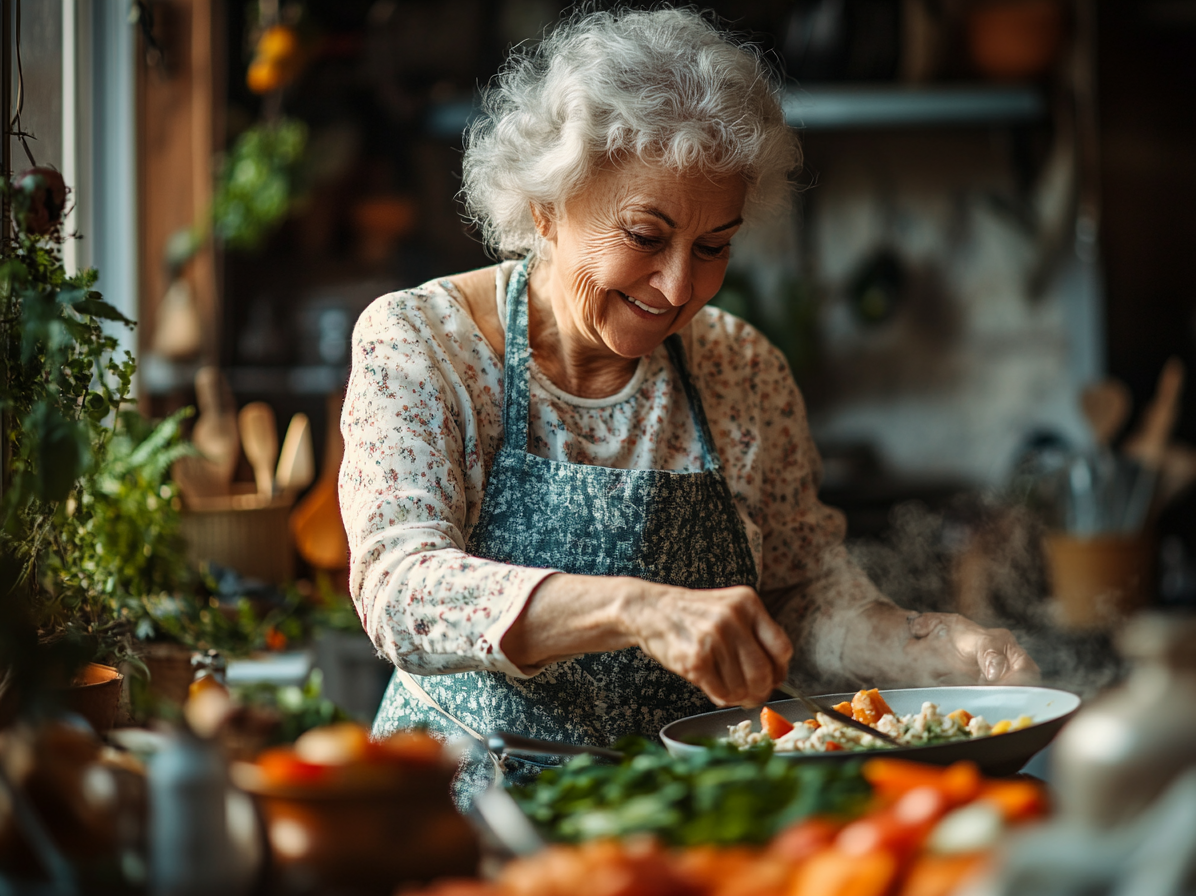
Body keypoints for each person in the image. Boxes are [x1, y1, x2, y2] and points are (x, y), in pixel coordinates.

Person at [339, 7, 1037, 801]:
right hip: (467, 810)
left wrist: (921, 645)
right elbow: (401, 591)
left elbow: (799, 589)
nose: (678, 288)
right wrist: (637, 610)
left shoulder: (741, 366)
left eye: (713, 248)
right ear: (545, 209)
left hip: (695, 808)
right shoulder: (423, 343)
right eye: (644, 234)